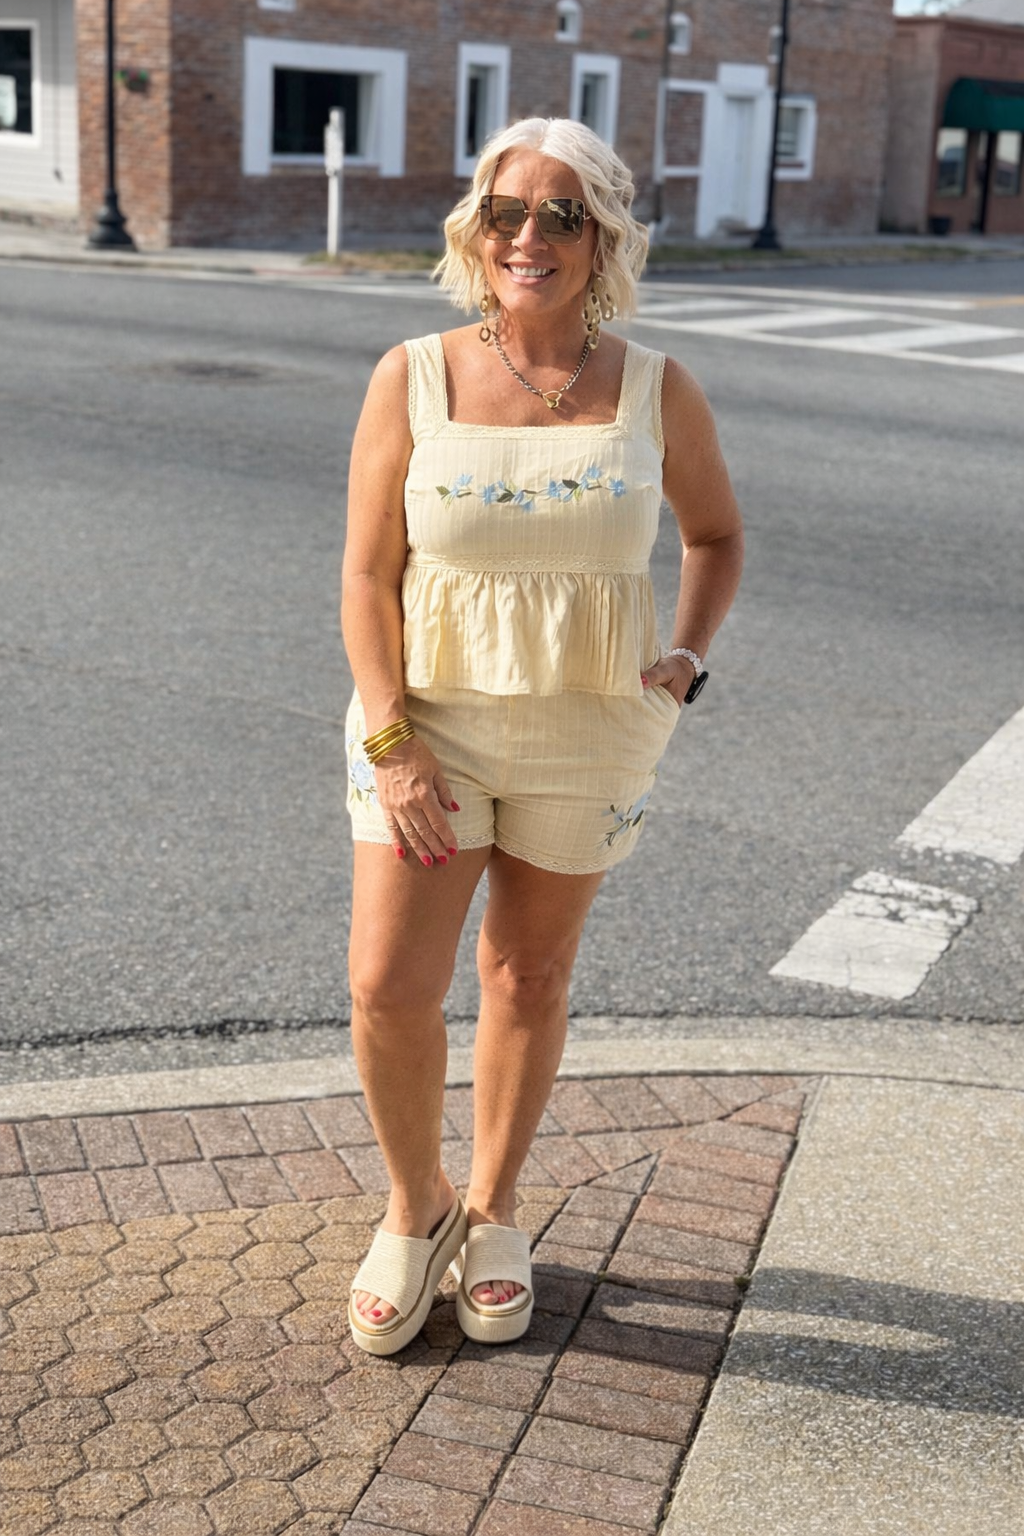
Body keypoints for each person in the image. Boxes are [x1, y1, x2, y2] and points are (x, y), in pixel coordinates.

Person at [340, 116, 743, 1355]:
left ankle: (498, 1210)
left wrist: (681, 664)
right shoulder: (409, 373)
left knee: (528, 976)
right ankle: (418, 1210)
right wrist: (393, 740)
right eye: (508, 212)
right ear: (477, 229)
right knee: (388, 986)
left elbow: (717, 536)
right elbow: (365, 578)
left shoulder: (658, 386)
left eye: (561, 215)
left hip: (592, 732)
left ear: (602, 237)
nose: (530, 236)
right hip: (431, 733)